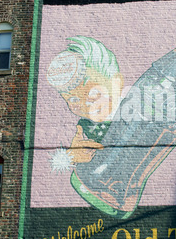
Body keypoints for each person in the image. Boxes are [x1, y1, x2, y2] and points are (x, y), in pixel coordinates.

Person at [47, 36, 124, 170]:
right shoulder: (84, 129)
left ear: (116, 83)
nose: (86, 105)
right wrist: (72, 156)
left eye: (94, 94)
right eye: (73, 100)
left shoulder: (135, 113)